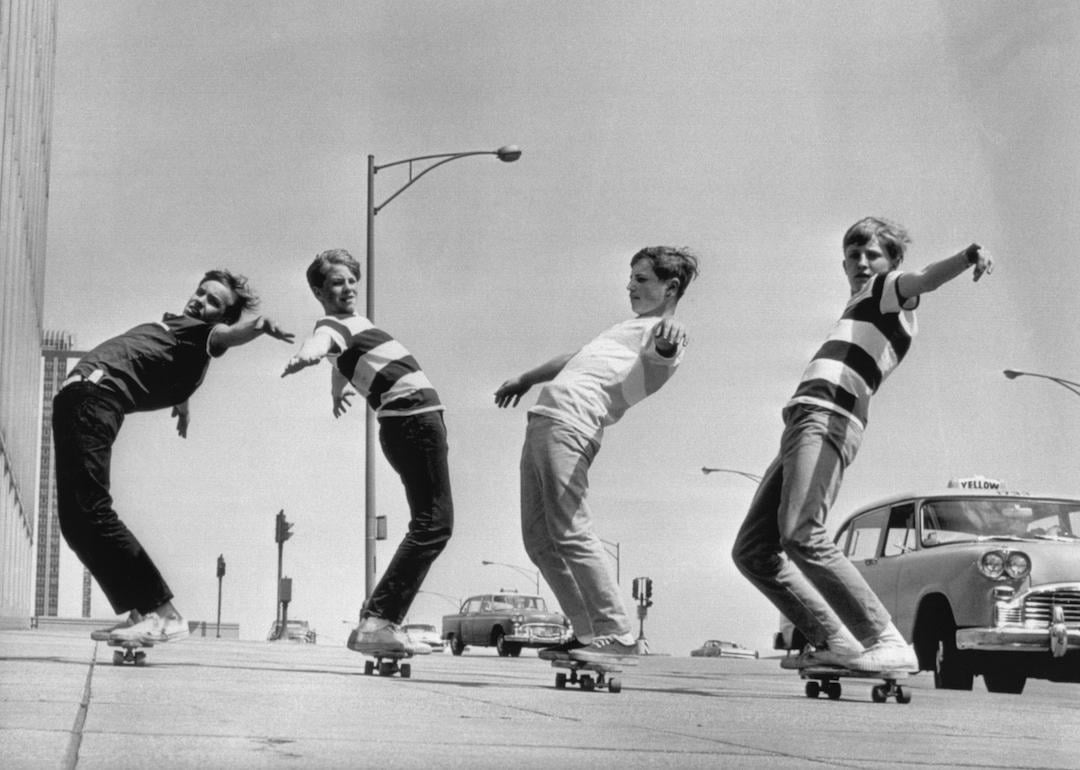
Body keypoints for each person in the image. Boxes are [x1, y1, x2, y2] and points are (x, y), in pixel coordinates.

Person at [731, 217, 994, 672]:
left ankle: (884, 639)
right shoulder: (861, 304)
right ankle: (835, 639)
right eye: (853, 255)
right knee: (752, 550)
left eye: (872, 254)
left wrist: (967, 256)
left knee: (801, 531)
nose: (861, 263)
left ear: (892, 262)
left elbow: (925, 279)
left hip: (829, 415)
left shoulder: (887, 290)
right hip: (803, 418)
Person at [52, 270, 294, 645]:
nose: (200, 300)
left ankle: (162, 612)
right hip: (78, 402)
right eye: (201, 292)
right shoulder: (183, 338)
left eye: (213, 301)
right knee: (74, 523)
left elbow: (225, 336)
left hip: (94, 399)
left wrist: (257, 325)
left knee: (93, 511)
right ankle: (140, 612)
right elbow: (172, 362)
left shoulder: (203, 333)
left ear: (222, 318)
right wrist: (182, 402)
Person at [495, 247, 699, 664]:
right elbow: (575, 358)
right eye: (631, 278)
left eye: (641, 279)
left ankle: (616, 631)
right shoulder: (625, 329)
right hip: (544, 421)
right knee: (538, 541)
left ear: (670, 287)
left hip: (571, 424)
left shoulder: (662, 334)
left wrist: (667, 335)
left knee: (569, 530)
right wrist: (527, 378)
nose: (630, 285)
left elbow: (662, 352)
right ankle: (588, 632)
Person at [282, 249, 452, 655]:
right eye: (338, 282)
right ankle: (379, 619)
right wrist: (309, 353)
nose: (349, 287)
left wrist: (336, 390)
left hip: (409, 422)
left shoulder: (355, 328)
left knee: (428, 523)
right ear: (320, 291)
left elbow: (340, 361)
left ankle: (376, 619)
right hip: (412, 419)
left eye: (352, 280)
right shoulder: (333, 324)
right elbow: (324, 341)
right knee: (434, 525)